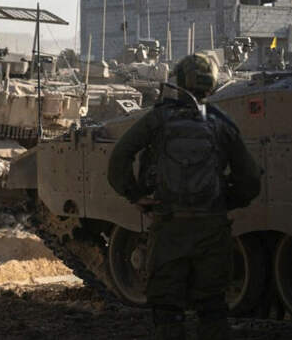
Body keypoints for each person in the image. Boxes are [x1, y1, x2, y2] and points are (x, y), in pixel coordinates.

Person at [107, 53, 261, 340]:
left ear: (178, 81)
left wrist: (135, 194)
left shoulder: (158, 118)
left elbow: (119, 158)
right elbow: (251, 179)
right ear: (211, 85)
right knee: (212, 308)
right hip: (212, 228)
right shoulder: (221, 123)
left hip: (169, 227)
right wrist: (224, 202)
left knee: (167, 312)